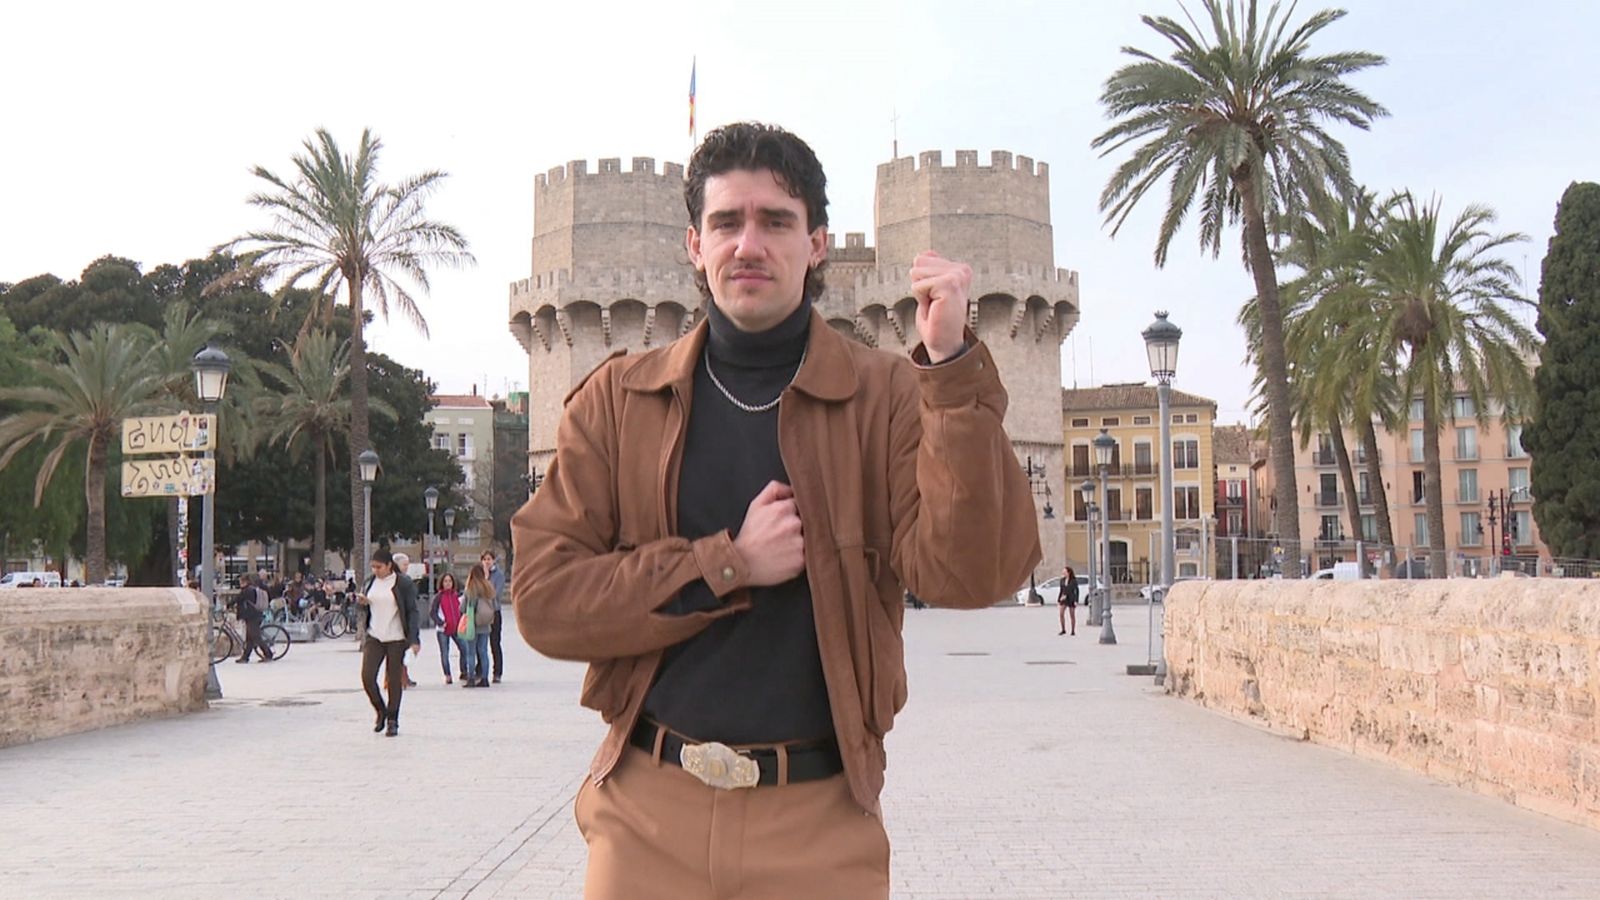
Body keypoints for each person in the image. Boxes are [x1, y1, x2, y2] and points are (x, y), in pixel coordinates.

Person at [510, 122, 1039, 898]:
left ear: (818, 244)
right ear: (694, 245)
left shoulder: (889, 395)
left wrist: (951, 371)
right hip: (649, 815)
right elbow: (545, 601)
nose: (748, 244)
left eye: (776, 221)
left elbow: (970, 575)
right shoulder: (619, 403)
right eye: (726, 222)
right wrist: (727, 564)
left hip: (820, 822)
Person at [355, 549, 419, 737]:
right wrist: (361, 603)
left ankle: (393, 720)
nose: (376, 570)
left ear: (389, 565)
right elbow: (361, 606)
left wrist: (414, 639)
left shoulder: (403, 583)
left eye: (379, 567)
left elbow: (413, 611)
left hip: (397, 638)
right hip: (375, 636)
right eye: (373, 567)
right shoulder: (370, 581)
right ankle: (380, 710)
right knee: (367, 677)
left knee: (393, 680)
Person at [461, 566, 496, 688]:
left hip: (472, 624)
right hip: (485, 624)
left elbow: (463, 608)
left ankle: (471, 678)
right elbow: (495, 605)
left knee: (471, 652)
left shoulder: (470, 589)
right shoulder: (489, 588)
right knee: (483, 651)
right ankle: (485, 678)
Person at [429, 573, 466, 685]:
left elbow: (461, 610)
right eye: (445, 581)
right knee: (445, 653)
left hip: (456, 628)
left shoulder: (457, 595)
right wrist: (441, 622)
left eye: (449, 581)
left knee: (464, 649)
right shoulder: (438, 597)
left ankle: (464, 671)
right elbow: (432, 613)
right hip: (443, 630)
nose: (448, 583)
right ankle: (448, 674)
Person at [391, 552, 421, 688]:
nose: (407, 567)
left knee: (404, 651)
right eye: (404, 564)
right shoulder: (398, 581)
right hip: (397, 621)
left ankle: (404, 677)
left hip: (406, 621)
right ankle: (400, 678)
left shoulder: (406, 580)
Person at [233, 573, 273, 663]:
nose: (239, 583)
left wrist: (228, 605)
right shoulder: (251, 589)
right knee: (250, 639)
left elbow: (238, 599)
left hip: (252, 617)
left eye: (240, 581)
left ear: (245, 581)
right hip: (254, 616)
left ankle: (268, 654)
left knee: (256, 637)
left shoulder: (247, 590)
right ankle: (245, 657)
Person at [481, 550, 507, 683]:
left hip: (494, 611)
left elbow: (494, 594)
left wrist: (486, 580)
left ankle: (497, 672)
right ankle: (480, 669)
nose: (487, 562)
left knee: (494, 642)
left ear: (493, 560)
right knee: (480, 642)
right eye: (484, 559)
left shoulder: (499, 575)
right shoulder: (479, 574)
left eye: (489, 559)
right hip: (480, 612)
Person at [1058, 565, 1080, 636]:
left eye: (1064, 571)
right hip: (1064, 598)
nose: (1063, 572)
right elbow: (1061, 590)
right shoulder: (1062, 580)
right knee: (1061, 613)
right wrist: (1059, 598)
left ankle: (1073, 631)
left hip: (1071, 598)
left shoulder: (1073, 580)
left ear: (1068, 572)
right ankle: (1063, 629)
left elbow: (1076, 590)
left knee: (1072, 615)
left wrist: (1076, 600)